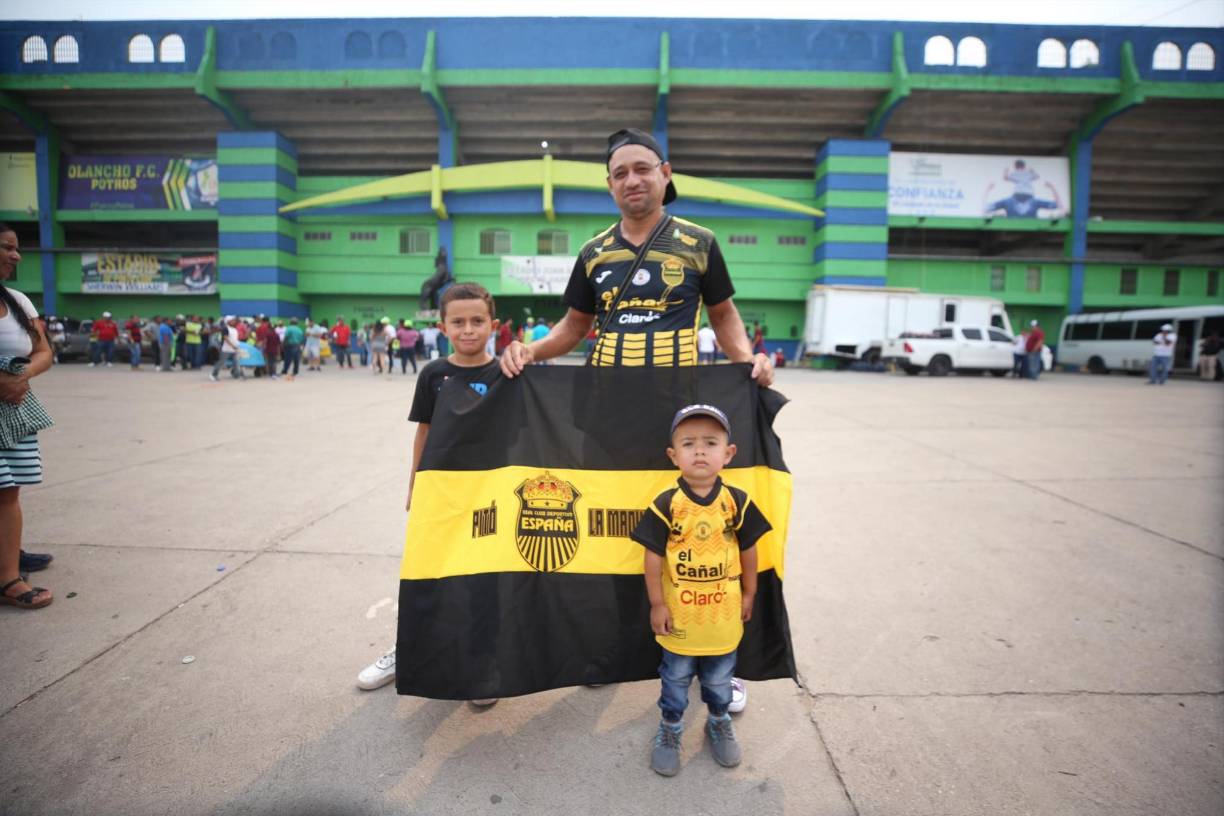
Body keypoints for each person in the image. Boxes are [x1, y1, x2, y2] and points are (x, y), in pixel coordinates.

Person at [500, 127, 773, 714]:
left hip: (678, 418)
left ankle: (717, 657)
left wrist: (750, 360)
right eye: (620, 173)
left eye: (642, 168)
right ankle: (615, 649)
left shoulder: (698, 242)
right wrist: (529, 351)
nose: (632, 180)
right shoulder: (594, 252)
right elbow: (573, 328)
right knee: (611, 530)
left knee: (702, 530)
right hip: (605, 415)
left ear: (665, 174)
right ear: (609, 185)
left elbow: (724, 316)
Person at [357, 283, 502, 699]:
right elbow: (424, 431)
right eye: (458, 322)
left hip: (490, 495)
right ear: (442, 327)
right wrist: (415, 483)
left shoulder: (507, 373)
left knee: (482, 580)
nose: (468, 329)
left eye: (477, 321)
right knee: (426, 573)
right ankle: (407, 650)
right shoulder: (434, 374)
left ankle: (482, 662)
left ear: (493, 325)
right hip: (441, 492)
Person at [631, 404, 770, 776]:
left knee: (719, 679)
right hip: (680, 619)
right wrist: (657, 604)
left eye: (710, 443)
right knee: (675, 679)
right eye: (688, 443)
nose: (699, 451)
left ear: (728, 453)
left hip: (723, 618)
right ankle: (671, 727)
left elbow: (749, 548)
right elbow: (652, 557)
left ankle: (718, 720)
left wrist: (750, 593)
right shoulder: (667, 504)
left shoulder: (736, 501)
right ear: (673, 455)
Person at [0, 224, 55, 610]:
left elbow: (43, 351)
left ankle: (8, 571)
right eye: (7, 248)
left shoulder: (18, 301)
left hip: (13, 407)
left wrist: (22, 377)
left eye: (16, 248)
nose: (16, 256)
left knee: (9, 489)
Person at [209, 316, 245, 381]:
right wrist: (232, 346)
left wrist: (237, 345)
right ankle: (213, 374)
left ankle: (236, 375)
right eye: (232, 320)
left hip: (234, 350)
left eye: (234, 320)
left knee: (236, 362)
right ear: (228, 321)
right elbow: (225, 338)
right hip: (226, 350)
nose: (234, 321)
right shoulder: (225, 328)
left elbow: (235, 339)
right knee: (221, 362)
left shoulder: (234, 329)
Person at [256, 315, 280, 380]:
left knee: (261, 359)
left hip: (260, 343)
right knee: (269, 360)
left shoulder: (259, 327)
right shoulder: (269, 328)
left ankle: (260, 371)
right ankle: (268, 373)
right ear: (268, 321)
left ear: (262, 320)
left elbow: (257, 336)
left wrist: (258, 344)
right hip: (267, 345)